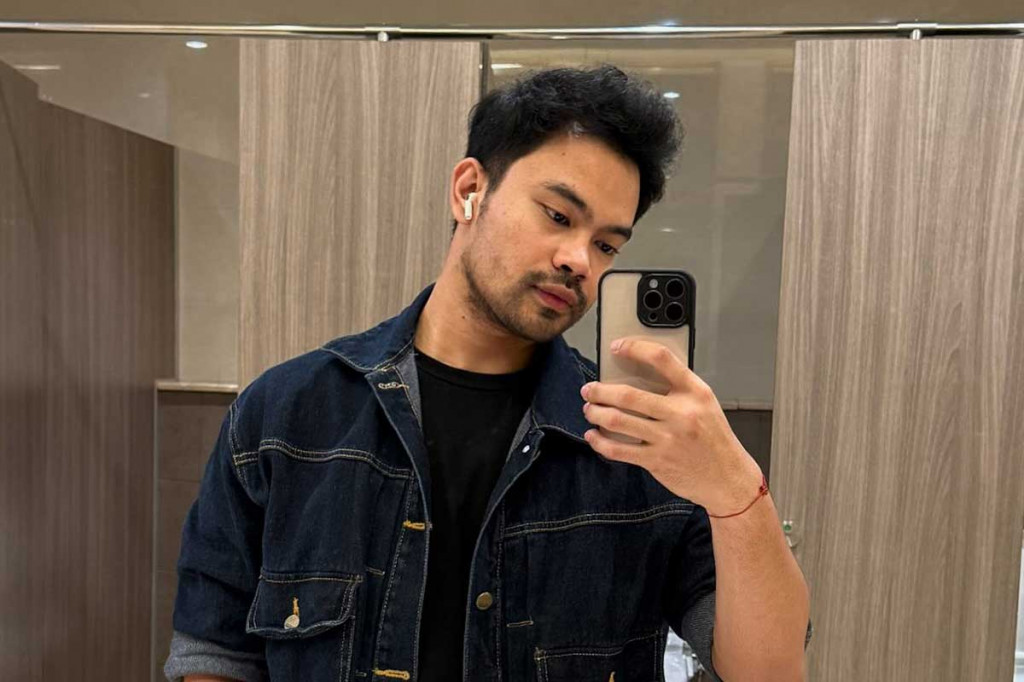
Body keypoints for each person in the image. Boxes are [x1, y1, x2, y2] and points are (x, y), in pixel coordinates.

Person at [165, 65, 811, 682]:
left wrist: (735, 490)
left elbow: (769, 672)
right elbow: (216, 654)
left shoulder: (632, 448)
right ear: (469, 189)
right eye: (558, 216)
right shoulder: (285, 415)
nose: (579, 260)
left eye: (606, 244)